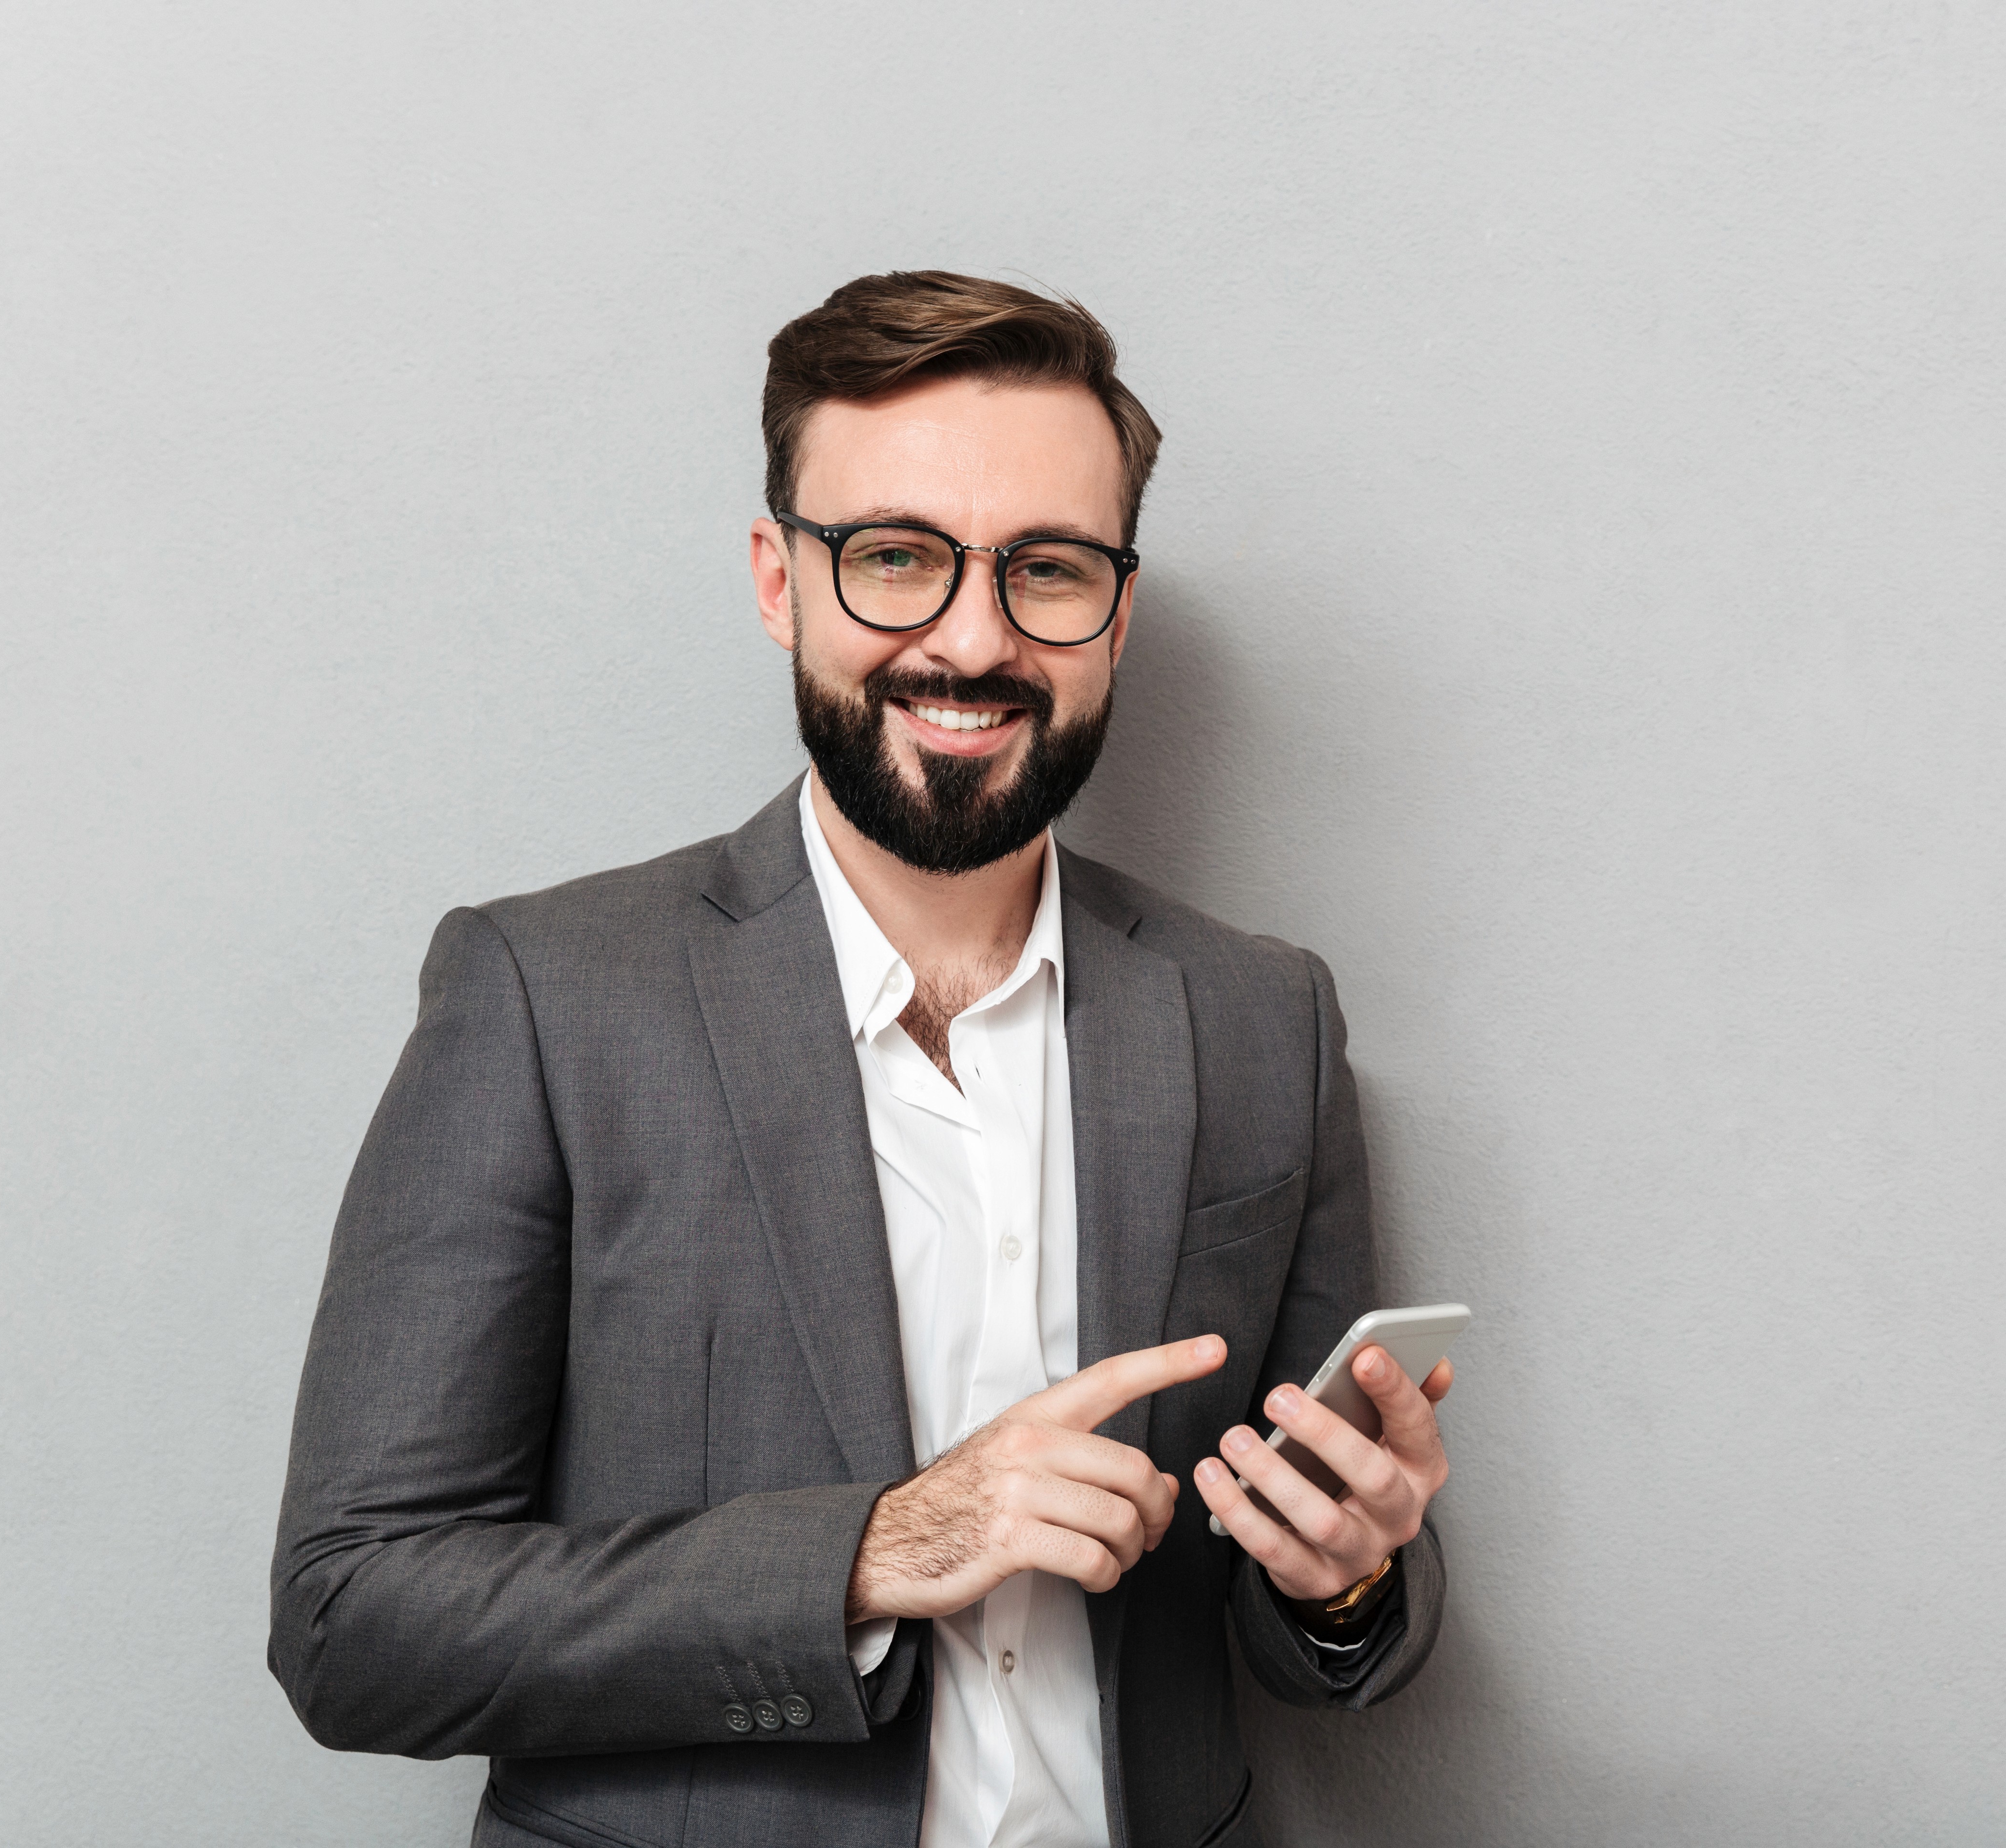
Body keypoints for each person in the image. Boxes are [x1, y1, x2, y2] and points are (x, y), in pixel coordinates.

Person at [268, 270, 1454, 1848]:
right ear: (781, 582)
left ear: (1117, 612)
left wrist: (1346, 1578)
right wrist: (879, 1549)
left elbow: (1287, 1604)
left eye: (1046, 569)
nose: (971, 639)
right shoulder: (545, 996)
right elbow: (354, 1621)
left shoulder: (1264, 1018)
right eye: (895, 557)